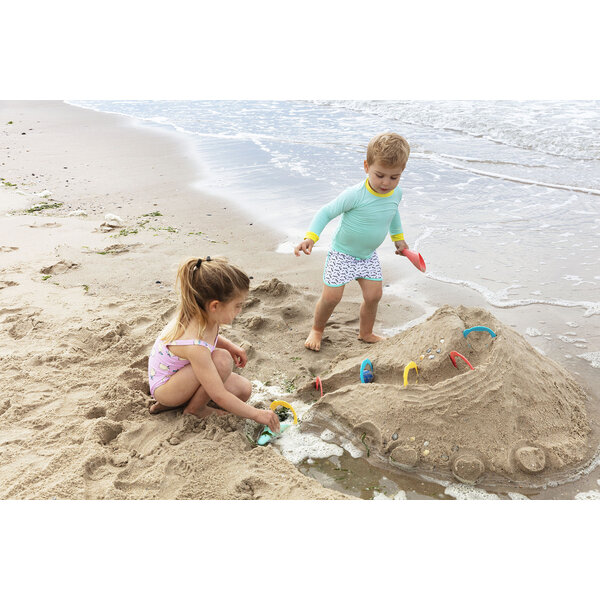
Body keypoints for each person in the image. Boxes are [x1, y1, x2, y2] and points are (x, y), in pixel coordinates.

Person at [294, 132, 411, 351]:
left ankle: (366, 333)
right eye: (380, 175)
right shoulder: (355, 194)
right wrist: (310, 237)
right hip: (342, 254)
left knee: (374, 295)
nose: (386, 183)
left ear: (401, 172)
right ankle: (317, 329)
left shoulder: (395, 194)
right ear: (366, 166)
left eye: (394, 177)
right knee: (332, 297)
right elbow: (326, 212)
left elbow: (393, 213)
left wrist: (399, 239)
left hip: (367, 255)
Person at [147, 255, 280, 432]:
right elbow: (219, 395)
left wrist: (230, 346)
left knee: (243, 390)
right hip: (166, 388)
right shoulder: (194, 345)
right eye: (237, 305)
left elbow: (211, 339)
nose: (240, 310)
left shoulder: (204, 315)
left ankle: (181, 403)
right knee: (222, 360)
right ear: (215, 306)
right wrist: (257, 414)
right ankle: (194, 409)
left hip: (183, 376)